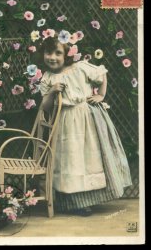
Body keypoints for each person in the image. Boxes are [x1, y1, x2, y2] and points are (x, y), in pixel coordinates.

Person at [39, 32, 132, 216]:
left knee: (89, 158)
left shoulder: (80, 67)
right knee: (71, 161)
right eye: (48, 53)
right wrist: (51, 92)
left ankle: (90, 198)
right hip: (64, 121)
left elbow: (101, 74)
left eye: (58, 53)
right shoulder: (47, 78)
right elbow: (45, 107)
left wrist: (101, 95)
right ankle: (73, 202)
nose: (52, 57)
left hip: (87, 118)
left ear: (66, 54)